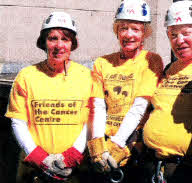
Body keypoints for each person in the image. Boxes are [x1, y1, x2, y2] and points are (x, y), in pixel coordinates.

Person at [5, 12, 91, 182]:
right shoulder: (26, 76)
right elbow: (18, 122)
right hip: (33, 169)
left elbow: (90, 121)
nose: (59, 45)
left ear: (72, 43)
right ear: (44, 42)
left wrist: (71, 156)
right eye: (53, 38)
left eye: (65, 39)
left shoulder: (87, 77)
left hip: (73, 170)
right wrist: (41, 158)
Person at [142, 1, 192, 182]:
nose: (179, 40)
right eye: (173, 34)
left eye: (186, 33)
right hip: (153, 166)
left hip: (189, 170)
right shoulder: (170, 68)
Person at [86, 0, 163, 182]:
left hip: (133, 145)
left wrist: (118, 143)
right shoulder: (102, 63)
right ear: (116, 31)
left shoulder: (151, 60)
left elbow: (140, 107)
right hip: (106, 143)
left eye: (135, 29)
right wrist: (98, 145)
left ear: (144, 33)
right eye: (123, 28)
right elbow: (97, 106)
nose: (128, 35)